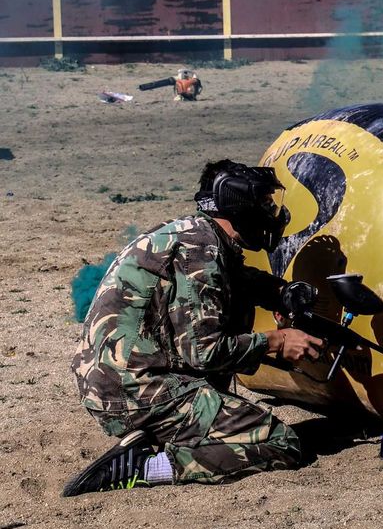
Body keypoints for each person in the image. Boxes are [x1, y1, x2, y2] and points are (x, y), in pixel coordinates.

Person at [64, 160, 324, 496]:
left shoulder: (192, 234)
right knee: (281, 443)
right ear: (237, 205)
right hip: (134, 392)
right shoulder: (201, 250)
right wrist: (276, 341)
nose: (270, 212)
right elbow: (205, 353)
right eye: (263, 203)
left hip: (113, 383)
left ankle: (169, 431)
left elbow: (233, 279)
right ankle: (145, 466)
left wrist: (280, 293)